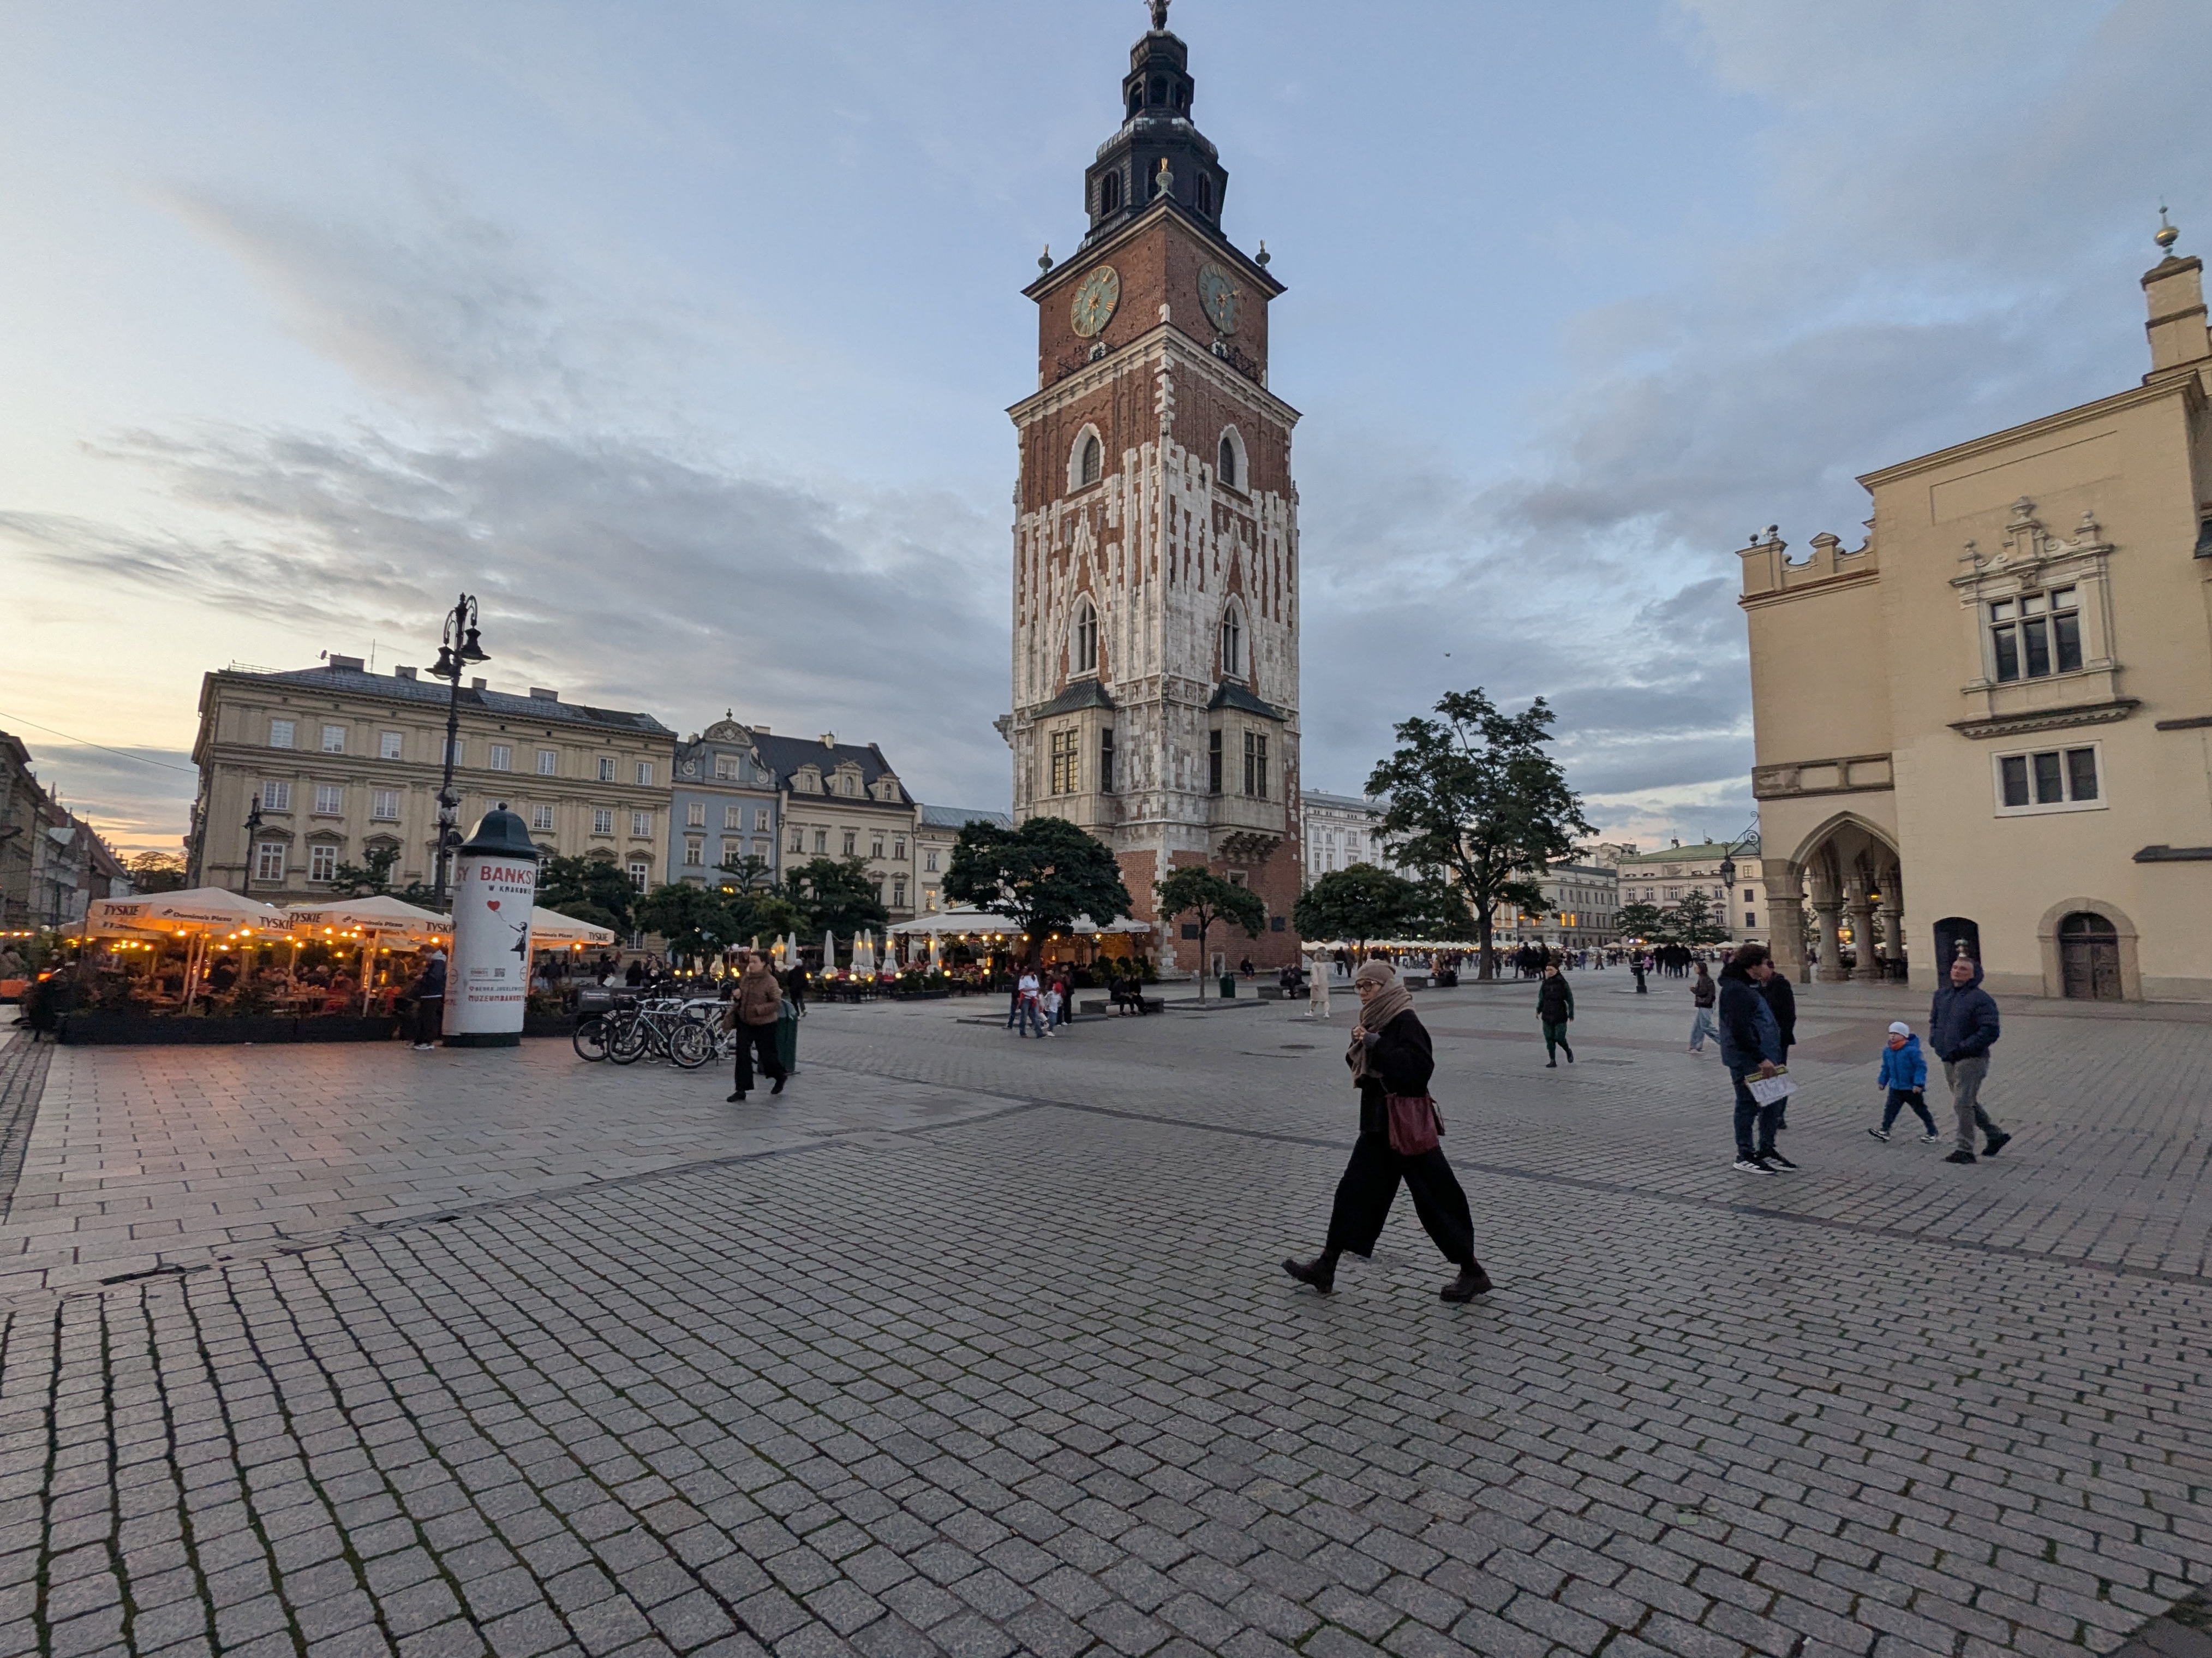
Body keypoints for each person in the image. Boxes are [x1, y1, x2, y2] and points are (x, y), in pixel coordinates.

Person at [1283, 961, 1491, 1302]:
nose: (1363, 992)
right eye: (1359, 986)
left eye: (1370, 985)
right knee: (1353, 1193)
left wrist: (1376, 1043)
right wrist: (1361, 1045)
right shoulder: (1373, 1019)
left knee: (1437, 1198)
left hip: (1407, 1127)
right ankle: (1326, 1265)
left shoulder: (1405, 1019)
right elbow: (1365, 1067)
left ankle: (1472, 1270)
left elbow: (1419, 1070)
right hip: (1379, 1127)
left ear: (1386, 987)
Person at [1928, 952, 2012, 1164]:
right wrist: (1935, 1041)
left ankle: (1965, 1149)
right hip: (1948, 1057)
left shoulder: (1981, 999)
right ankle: (1995, 1135)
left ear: (1974, 975)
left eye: (1964, 969)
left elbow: (1990, 1031)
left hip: (1972, 1059)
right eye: (1955, 968)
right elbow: (1935, 1021)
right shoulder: (1942, 995)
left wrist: (1964, 1048)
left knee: (1962, 1103)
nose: (1957, 971)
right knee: (1966, 1102)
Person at [1717, 943, 1791, 1173]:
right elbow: (1739, 1030)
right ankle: (1745, 1154)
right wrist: (1759, 1058)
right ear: (1753, 966)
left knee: (1773, 1101)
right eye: (1764, 963)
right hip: (1747, 1059)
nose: (1767, 967)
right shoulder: (1736, 990)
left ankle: (1766, 1148)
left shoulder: (1750, 986)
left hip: (1766, 1055)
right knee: (1747, 1104)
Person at [724, 953, 787, 1102]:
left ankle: (780, 1075)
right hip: (745, 1022)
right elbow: (741, 999)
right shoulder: (746, 979)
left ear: (764, 963)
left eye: (755, 962)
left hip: (765, 1024)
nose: (751, 965)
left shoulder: (770, 981)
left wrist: (759, 1010)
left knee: (767, 1057)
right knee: (742, 1055)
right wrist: (737, 997)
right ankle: (741, 1090)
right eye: (750, 962)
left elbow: (776, 1003)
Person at [1869, 1020, 1939, 1142]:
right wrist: (1883, 1081)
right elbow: (1886, 1068)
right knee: (1890, 1109)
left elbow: (1920, 1067)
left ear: (1904, 1035)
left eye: (1896, 1034)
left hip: (1911, 1088)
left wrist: (1918, 1083)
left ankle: (1932, 1132)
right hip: (1896, 1087)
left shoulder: (1912, 1051)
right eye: (1891, 1033)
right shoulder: (1888, 1051)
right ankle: (1885, 1130)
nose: (1893, 1036)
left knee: (1921, 1110)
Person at [1757, 964, 1798, 1130]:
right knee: (1765, 1076)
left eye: (1762, 967)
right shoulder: (1758, 985)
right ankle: (1767, 1112)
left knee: (1778, 1074)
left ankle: (1779, 1114)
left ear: (1770, 968)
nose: (1760, 971)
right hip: (1763, 1040)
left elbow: (1790, 1015)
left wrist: (1782, 1036)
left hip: (1778, 1040)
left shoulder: (1781, 984)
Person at [1536, 963, 1575, 1066]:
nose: (1549, 972)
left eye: (1551, 970)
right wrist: (1538, 1010)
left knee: (1559, 1037)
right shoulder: (1545, 983)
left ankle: (1568, 1051)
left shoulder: (1562, 983)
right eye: (1547, 970)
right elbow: (1541, 998)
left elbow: (1570, 999)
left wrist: (1571, 1013)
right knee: (1549, 1038)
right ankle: (1552, 1060)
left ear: (1557, 970)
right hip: (1547, 1013)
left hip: (1560, 1014)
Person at [409, 950, 447, 1051]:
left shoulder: (438, 963)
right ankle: (420, 1041)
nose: (423, 957)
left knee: (428, 1018)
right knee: (423, 1018)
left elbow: (435, 978)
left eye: (424, 954)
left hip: (432, 994)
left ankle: (427, 1041)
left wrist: (422, 978)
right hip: (428, 994)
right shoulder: (434, 963)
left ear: (430, 953)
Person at [1688, 961, 1718, 1054]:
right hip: (1703, 1005)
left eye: (1696, 968)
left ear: (1701, 969)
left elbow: (1702, 992)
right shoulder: (1702, 978)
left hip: (1706, 1005)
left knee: (1706, 1027)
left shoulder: (1705, 979)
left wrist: (1693, 990)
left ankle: (1725, 1042)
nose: (1695, 969)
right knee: (1698, 1026)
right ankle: (1695, 1046)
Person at [1014, 966, 1048, 1037]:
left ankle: (1039, 1032)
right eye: (1031, 972)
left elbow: (1037, 987)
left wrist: (1037, 995)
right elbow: (1021, 989)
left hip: (1034, 998)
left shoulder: (1034, 977)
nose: (1032, 973)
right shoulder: (1023, 978)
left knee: (1036, 1016)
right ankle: (1023, 1032)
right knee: (1024, 1016)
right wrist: (1032, 989)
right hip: (1026, 998)